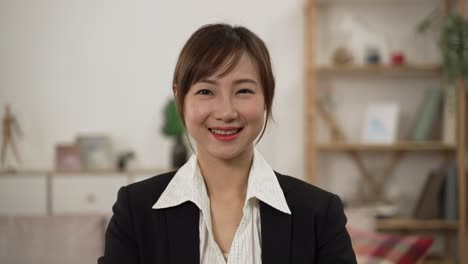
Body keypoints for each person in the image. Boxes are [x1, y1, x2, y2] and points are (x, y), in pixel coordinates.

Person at [98, 24, 356, 264]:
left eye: (243, 91)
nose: (226, 112)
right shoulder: (135, 211)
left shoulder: (319, 213)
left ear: (267, 96)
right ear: (180, 97)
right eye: (206, 91)